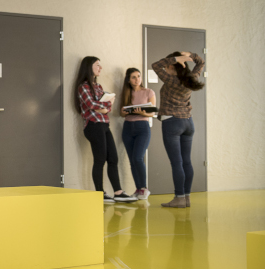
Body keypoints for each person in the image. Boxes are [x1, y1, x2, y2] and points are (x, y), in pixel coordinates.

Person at [74, 57, 136, 203]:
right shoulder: (83, 87)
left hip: (104, 124)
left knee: (113, 158)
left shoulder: (98, 87)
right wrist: (103, 105)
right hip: (93, 125)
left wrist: (104, 106)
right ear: (89, 67)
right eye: (97, 65)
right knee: (100, 159)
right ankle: (99, 193)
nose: (100, 68)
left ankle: (118, 192)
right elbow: (90, 104)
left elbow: (107, 108)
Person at [151, 51, 205, 208]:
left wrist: (176, 58)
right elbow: (201, 63)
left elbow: (155, 65)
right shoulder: (191, 79)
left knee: (177, 162)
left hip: (172, 123)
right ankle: (186, 198)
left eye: (168, 67)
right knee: (186, 161)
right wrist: (192, 55)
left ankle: (179, 197)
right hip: (188, 123)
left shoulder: (171, 80)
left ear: (170, 66)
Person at [119, 68, 156, 200]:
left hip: (142, 127)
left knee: (137, 158)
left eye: (138, 76)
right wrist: (124, 111)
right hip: (128, 128)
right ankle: (138, 189)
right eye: (133, 77)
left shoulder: (149, 92)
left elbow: (152, 113)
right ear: (128, 79)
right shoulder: (126, 93)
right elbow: (120, 113)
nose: (137, 79)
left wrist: (142, 113)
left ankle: (144, 188)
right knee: (132, 161)